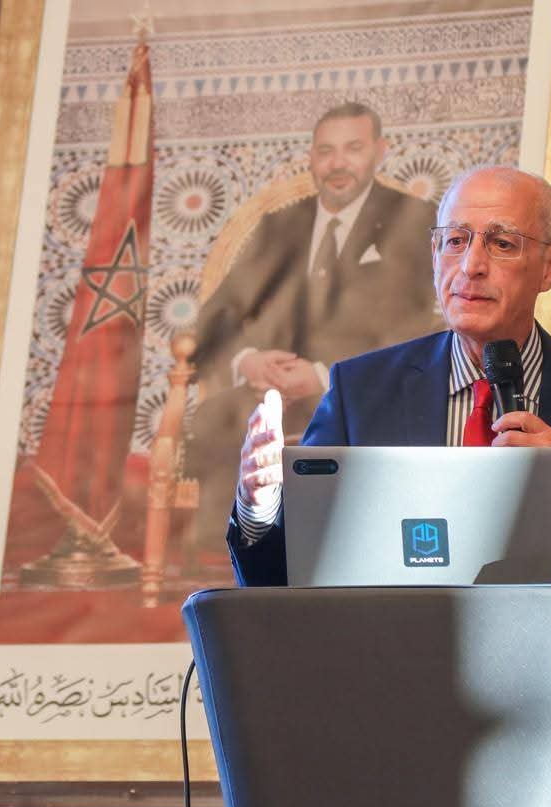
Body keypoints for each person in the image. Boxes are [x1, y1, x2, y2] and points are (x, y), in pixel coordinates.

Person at [228, 164, 551, 807]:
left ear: (550, 267)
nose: (471, 264)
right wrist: (259, 507)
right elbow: (288, 584)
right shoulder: (363, 392)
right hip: (385, 761)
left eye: (501, 242)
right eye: (454, 240)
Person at [185, 102, 442, 552]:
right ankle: (230, 561)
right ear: (311, 157)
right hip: (268, 398)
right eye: (326, 151)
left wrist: (324, 376)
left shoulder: (416, 221)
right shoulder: (278, 227)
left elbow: (424, 327)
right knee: (217, 419)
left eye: (353, 148)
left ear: (380, 151)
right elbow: (217, 316)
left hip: (363, 394)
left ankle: (335, 560)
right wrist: (249, 361)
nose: (338, 163)